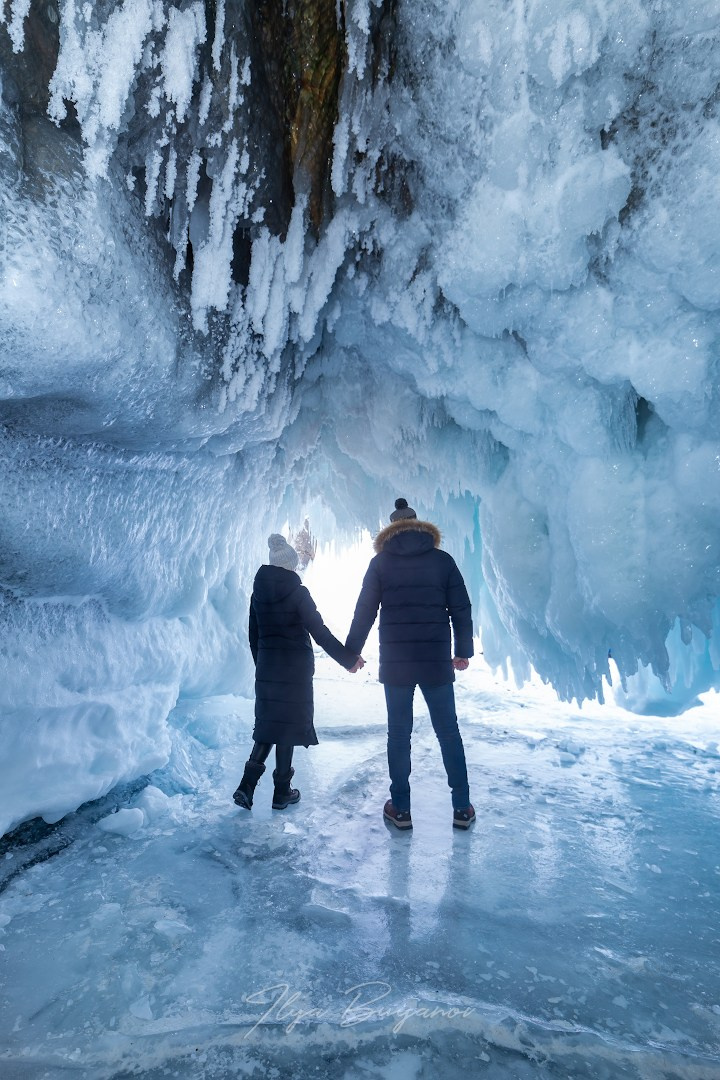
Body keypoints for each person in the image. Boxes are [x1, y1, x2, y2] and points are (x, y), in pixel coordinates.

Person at [345, 498, 475, 830]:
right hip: (435, 662)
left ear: (391, 529)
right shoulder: (442, 561)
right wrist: (463, 651)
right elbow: (461, 609)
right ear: (418, 525)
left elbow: (364, 612)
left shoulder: (381, 564)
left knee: (399, 735)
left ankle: (400, 808)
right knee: (449, 732)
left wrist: (351, 653)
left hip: (398, 663)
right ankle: (462, 807)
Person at [233, 533, 364, 811]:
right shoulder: (298, 592)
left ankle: (246, 786)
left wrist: (264, 666)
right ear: (290, 565)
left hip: (268, 669)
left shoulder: (258, 592)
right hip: (294, 672)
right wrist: (348, 659)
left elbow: (253, 636)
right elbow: (320, 633)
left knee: (268, 726)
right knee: (288, 728)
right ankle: (281, 791)